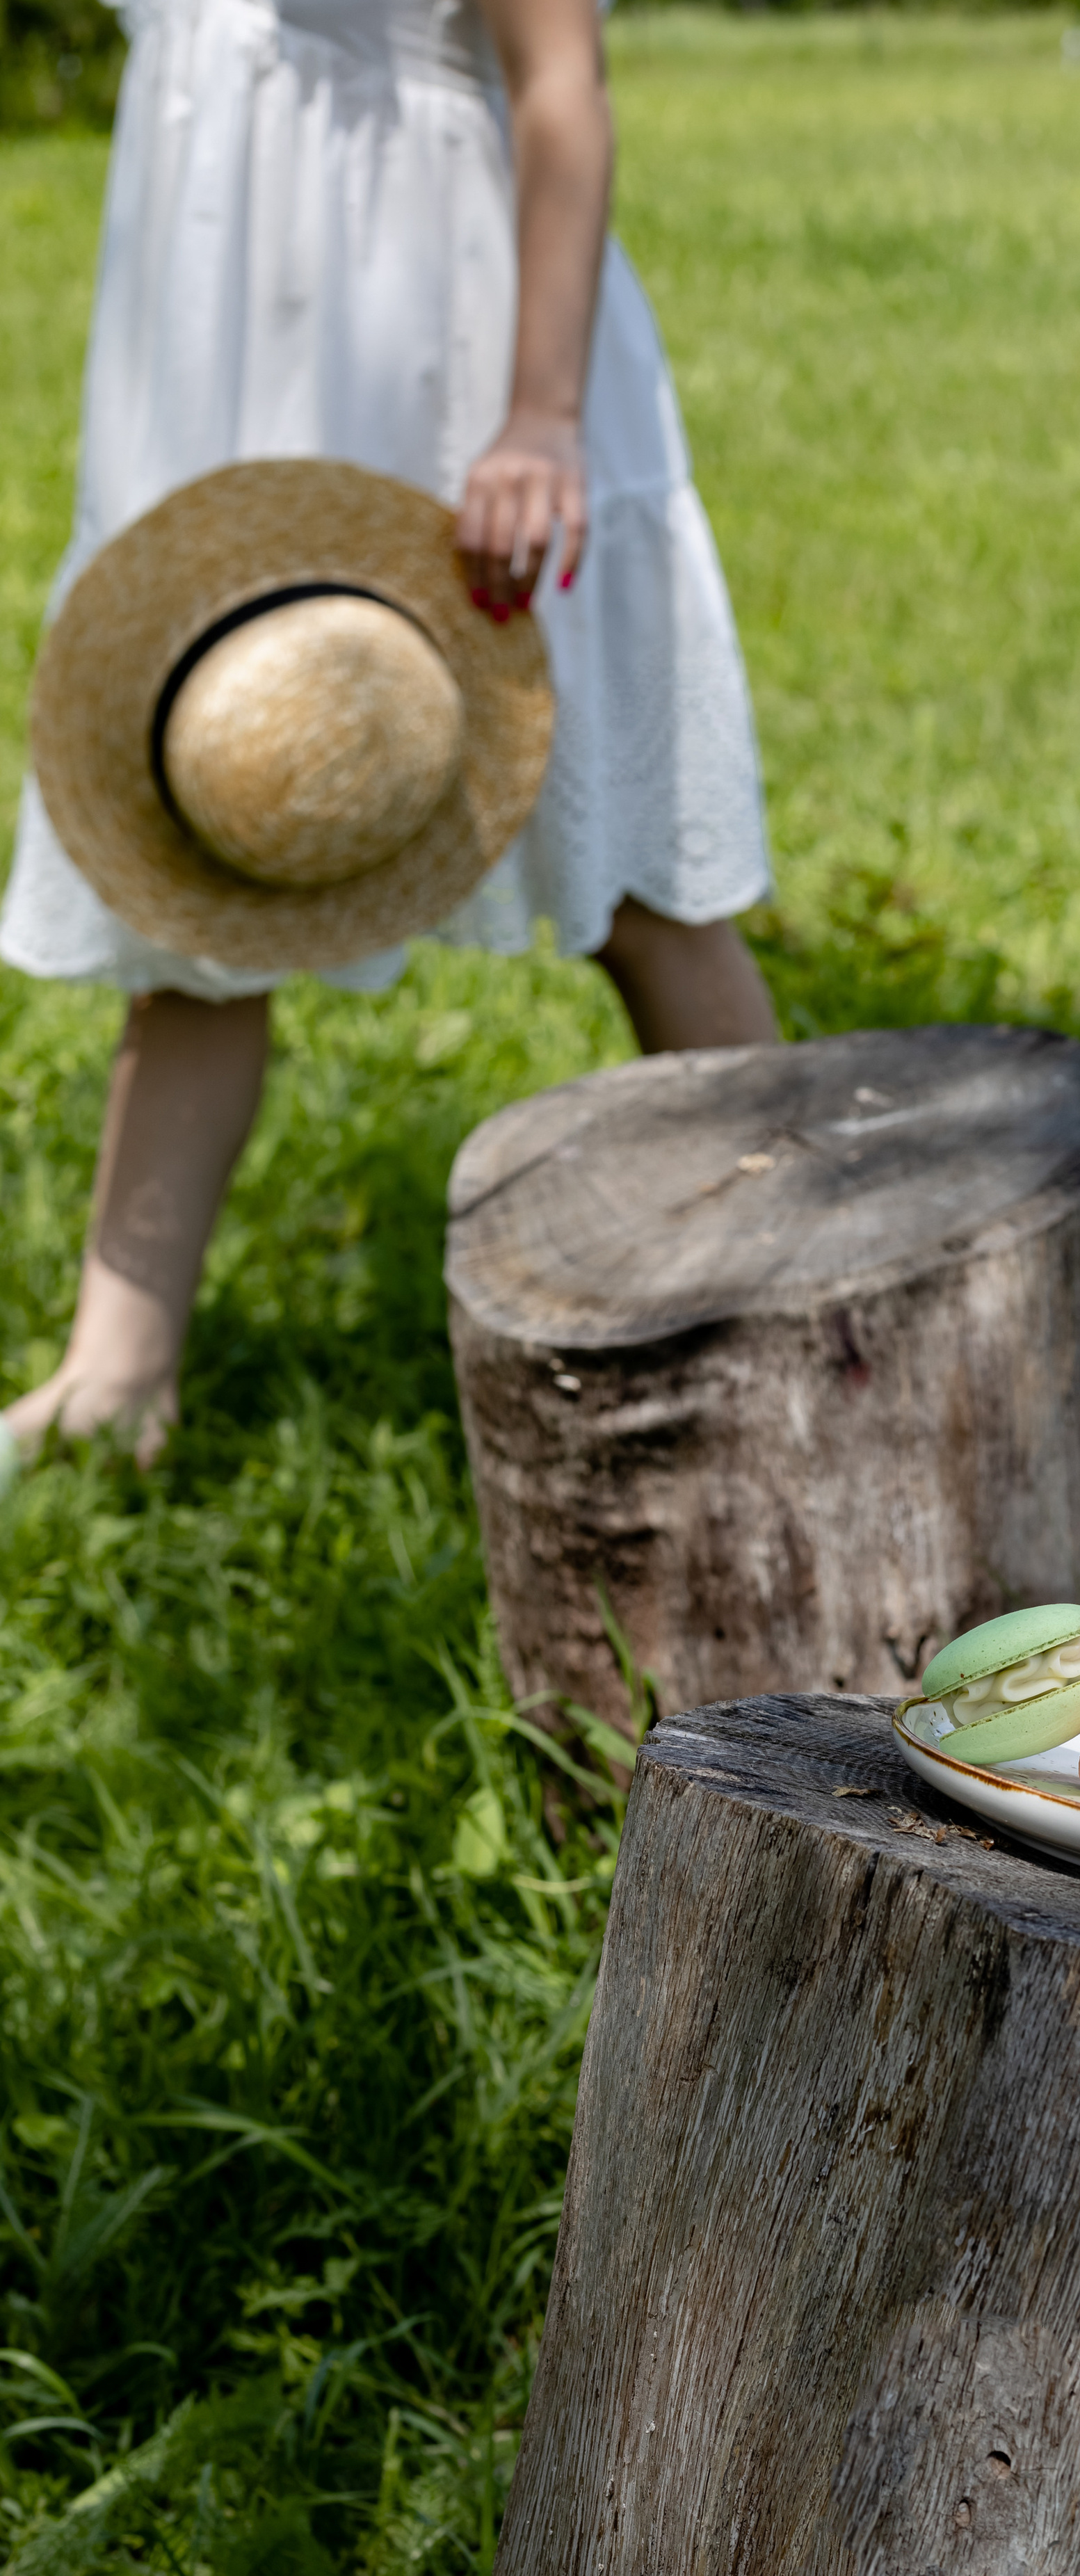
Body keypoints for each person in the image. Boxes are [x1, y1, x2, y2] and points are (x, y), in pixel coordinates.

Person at [0, 0, 779, 1477]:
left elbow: (558, 79)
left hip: (455, 377)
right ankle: (118, 1370)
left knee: (635, 890)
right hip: (226, 381)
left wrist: (542, 416)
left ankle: (812, 1281)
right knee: (209, 858)